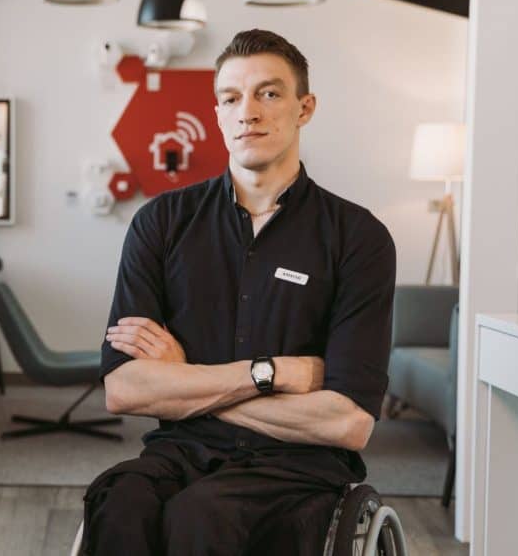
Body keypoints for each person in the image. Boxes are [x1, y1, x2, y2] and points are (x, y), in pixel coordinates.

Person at [82, 29, 397, 555]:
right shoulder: (160, 223)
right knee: (117, 501)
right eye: (231, 98)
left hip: (298, 468)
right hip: (180, 452)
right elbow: (124, 390)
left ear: (304, 108)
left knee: (203, 516)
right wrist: (269, 374)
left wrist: (184, 379)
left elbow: (347, 421)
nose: (247, 112)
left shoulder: (358, 238)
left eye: (268, 93)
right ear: (217, 114)